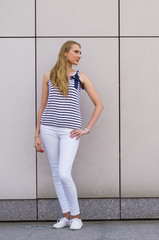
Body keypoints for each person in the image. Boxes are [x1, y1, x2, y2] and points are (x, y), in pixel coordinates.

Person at [34, 41, 104, 230]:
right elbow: (43, 105)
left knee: (64, 174)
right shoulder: (48, 75)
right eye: (76, 51)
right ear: (65, 53)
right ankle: (65, 216)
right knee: (57, 174)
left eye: (80, 52)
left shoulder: (81, 77)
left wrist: (86, 128)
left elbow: (99, 105)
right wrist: (37, 134)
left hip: (69, 132)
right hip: (48, 129)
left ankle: (77, 216)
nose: (79, 55)